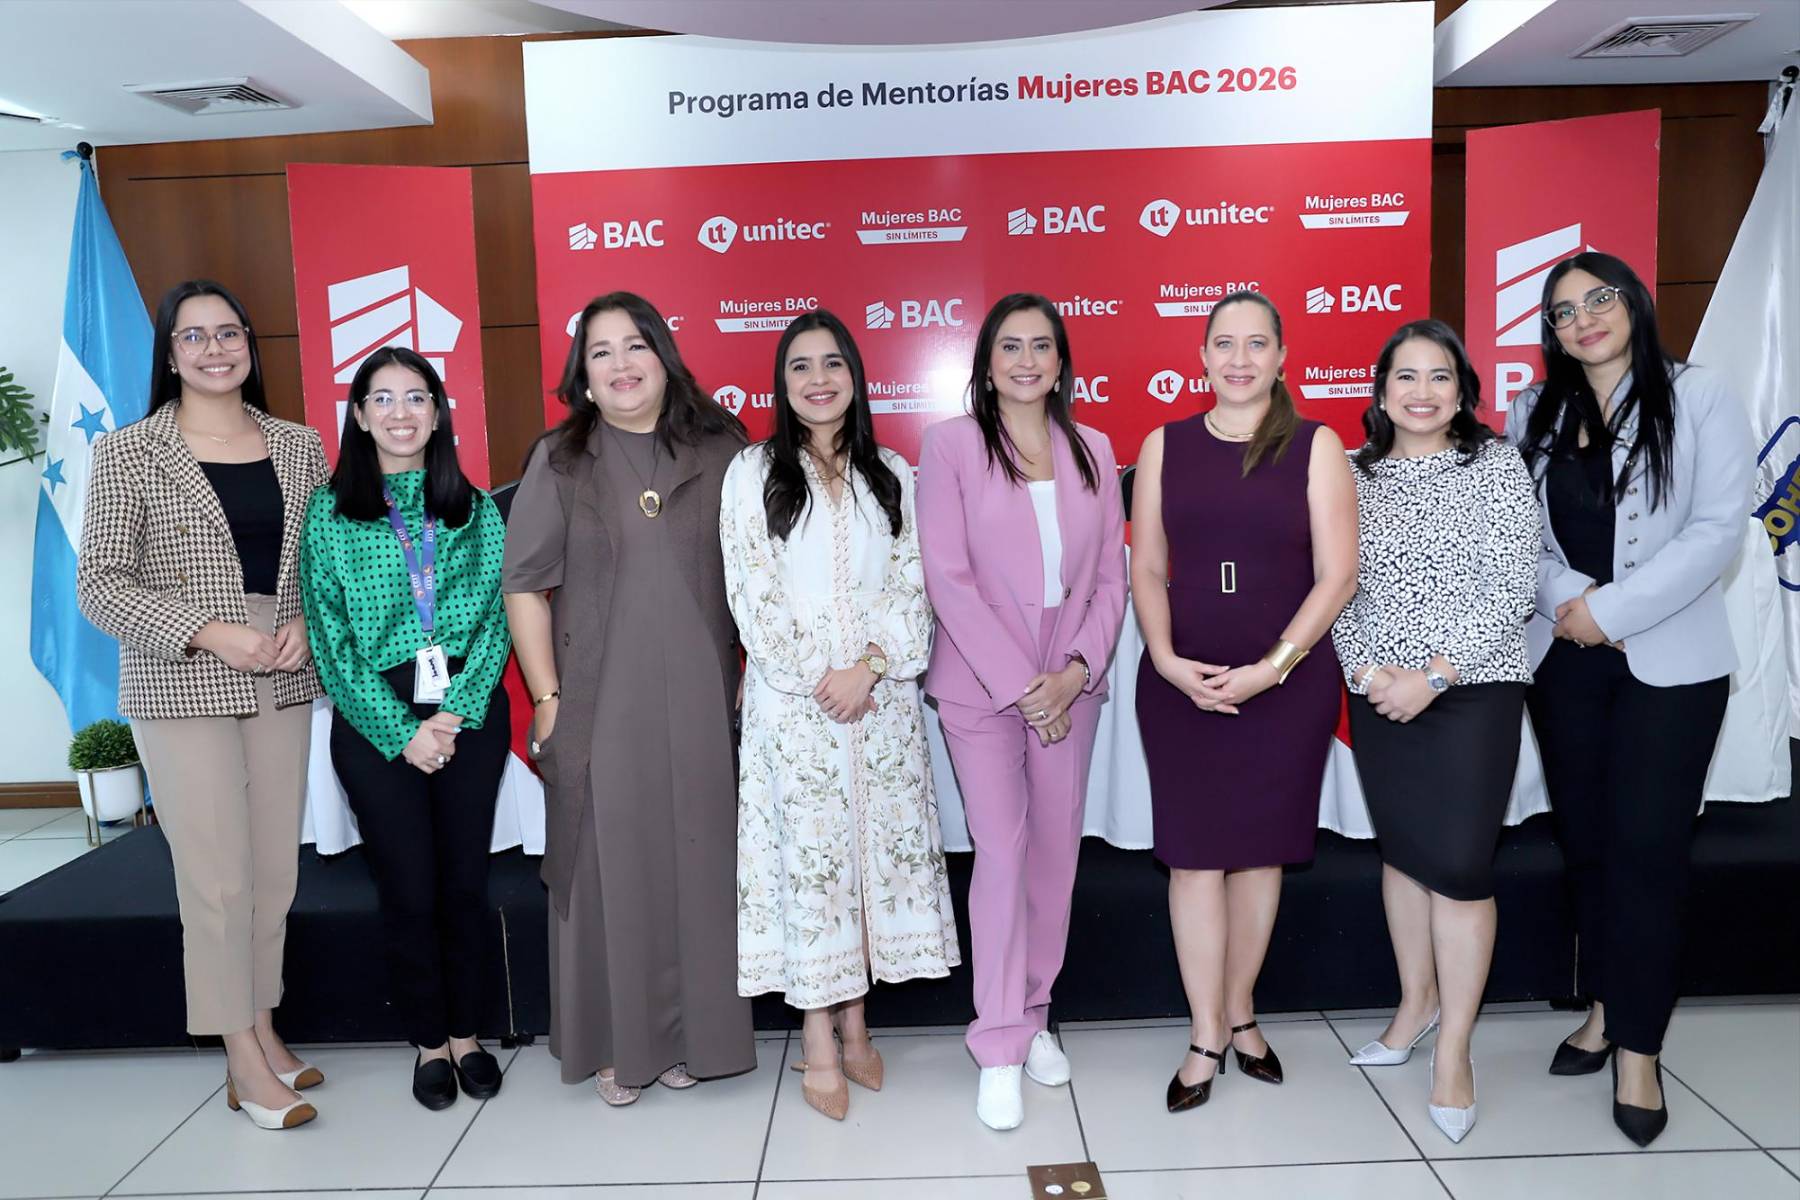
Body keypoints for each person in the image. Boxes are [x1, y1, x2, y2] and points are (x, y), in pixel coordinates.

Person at [1507, 252, 1753, 1147]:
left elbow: (1718, 531)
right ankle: (1608, 1005)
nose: (1585, 320)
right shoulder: (1535, 410)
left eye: (1599, 300)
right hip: (1566, 661)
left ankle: (1640, 1049)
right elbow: (1519, 530)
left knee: (1648, 854)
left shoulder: (1701, 395)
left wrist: (1606, 611)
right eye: (1564, 311)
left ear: (1634, 303)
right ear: (1552, 333)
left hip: (1672, 665)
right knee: (1590, 849)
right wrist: (1571, 606)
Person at [76, 280, 327, 1130]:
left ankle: (262, 1022)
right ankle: (240, 1060)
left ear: (250, 342)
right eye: (195, 337)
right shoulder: (129, 452)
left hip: (284, 670)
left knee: (273, 873)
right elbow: (99, 585)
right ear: (170, 354)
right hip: (184, 676)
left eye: (229, 332)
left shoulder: (301, 444)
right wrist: (206, 630)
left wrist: (303, 619)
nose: (216, 348)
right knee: (216, 879)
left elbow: (324, 560)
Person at [502, 291, 754, 1106]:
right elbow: (524, 586)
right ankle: (617, 1042)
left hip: (706, 696)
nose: (620, 364)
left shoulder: (722, 448)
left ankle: (693, 1039)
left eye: (635, 344)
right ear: (583, 371)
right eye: (601, 350)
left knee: (701, 864)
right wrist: (546, 697)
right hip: (600, 701)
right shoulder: (561, 457)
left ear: (664, 353)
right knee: (612, 869)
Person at [725, 311, 960, 1121]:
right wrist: (818, 676)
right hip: (794, 711)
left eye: (832, 363)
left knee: (867, 863)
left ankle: (860, 1024)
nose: (817, 379)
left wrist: (869, 668)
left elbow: (914, 583)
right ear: (782, 384)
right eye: (800, 367)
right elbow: (750, 591)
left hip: (881, 701)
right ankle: (818, 1040)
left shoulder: (892, 470)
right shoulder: (751, 472)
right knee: (810, 869)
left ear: (855, 376)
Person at [1132, 289, 1357, 1114]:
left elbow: (1338, 577)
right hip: (1181, 683)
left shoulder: (1317, 444)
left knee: (1261, 854)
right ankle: (1204, 1034)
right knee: (1193, 860)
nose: (1238, 359)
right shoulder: (1165, 444)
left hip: (1284, 688)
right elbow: (1147, 566)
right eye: (1223, 344)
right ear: (1201, 358)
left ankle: (1242, 1012)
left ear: (1282, 358)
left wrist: (1273, 668)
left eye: (1256, 344)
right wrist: (1162, 658)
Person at [916, 293, 1127, 1132]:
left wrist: (1073, 673)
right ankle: (998, 1042)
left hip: (1070, 676)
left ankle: (1035, 1014)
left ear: (1062, 362)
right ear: (988, 363)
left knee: (1053, 860)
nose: (1028, 360)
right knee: (1001, 857)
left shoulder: (1095, 448)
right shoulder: (952, 446)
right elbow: (948, 578)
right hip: (980, 680)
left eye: (1043, 346)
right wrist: (1022, 685)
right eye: (1011, 346)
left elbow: (1111, 577)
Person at [1330, 319, 1539, 1143]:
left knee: (1457, 864)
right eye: (1405, 377)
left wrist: (1436, 675)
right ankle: (1414, 1006)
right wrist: (1374, 675)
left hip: (1474, 690)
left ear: (1464, 390)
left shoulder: (1493, 465)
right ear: (1380, 392)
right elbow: (1335, 584)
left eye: (1439, 376)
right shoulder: (1351, 473)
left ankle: (1455, 1049)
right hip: (1381, 692)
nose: (1422, 392)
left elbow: (1512, 583)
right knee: (1405, 853)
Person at [300, 347, 512, 1111]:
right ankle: (427, 1040)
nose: (400, 413)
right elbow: (330, 640)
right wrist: (403, 732)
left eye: (415, 397)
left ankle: (469, 1034)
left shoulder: (475, 506)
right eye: (381, 399)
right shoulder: (329, 513)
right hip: (373, 714)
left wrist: (452, 715)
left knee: (464, 881)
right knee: (407, 886)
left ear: (438, 410)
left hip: (467, 709)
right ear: (358, 416)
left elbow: (497, 620)